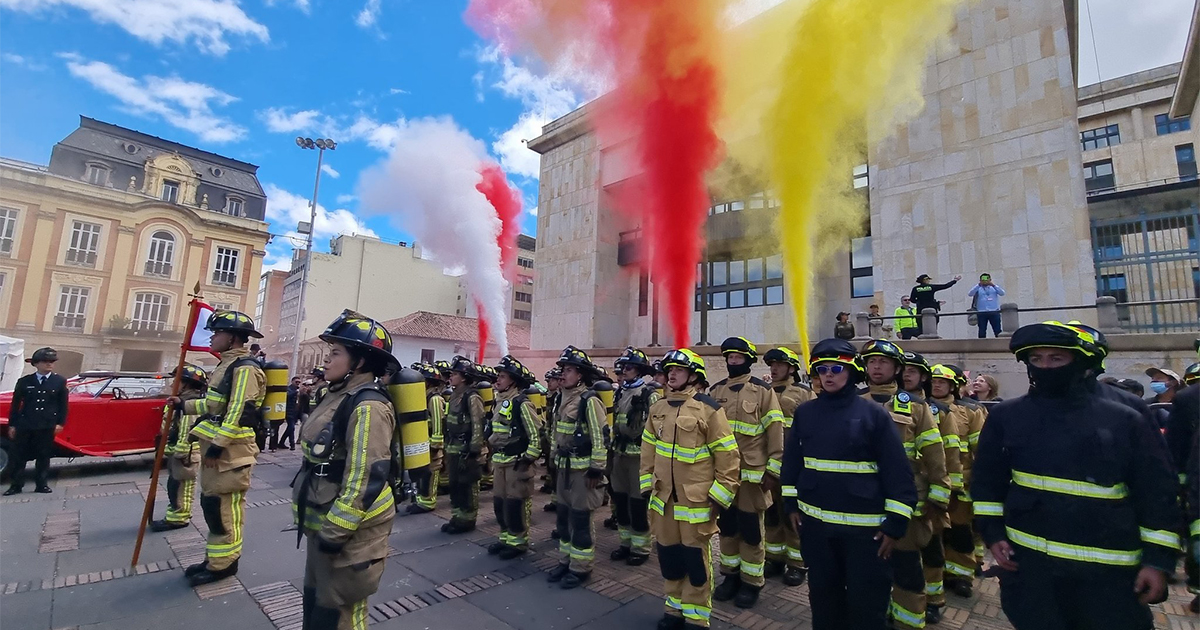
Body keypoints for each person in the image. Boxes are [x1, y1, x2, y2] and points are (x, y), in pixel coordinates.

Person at [972, 322, 1181, 629]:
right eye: (1037, 359)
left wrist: (1157, 561)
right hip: (1031, 570)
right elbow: (987, 483)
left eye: (1056, 359)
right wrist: (993, 534)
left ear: (1082, 362)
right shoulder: (1008, 416)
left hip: (1109, 576)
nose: (1045, 366)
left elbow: (1157, 493)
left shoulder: (1125, 417)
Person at [781, 339, 917, 630]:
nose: (828, 375)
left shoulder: (874, 414)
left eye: (836, 369)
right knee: (824, 598)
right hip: (817, 530)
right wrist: (790, 503)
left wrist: (895, 523)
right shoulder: (805, 413)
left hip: (865, 534)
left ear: (851, 372)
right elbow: (792, 463)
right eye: (822, 370)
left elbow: (897, 472)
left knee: (866, 604)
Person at [292, 311, 397, 630]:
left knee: (338, 613)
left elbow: (364, 479)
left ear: (360, 362)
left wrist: (334, 534)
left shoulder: (368, 407)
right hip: (324, 524)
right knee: (316, 603)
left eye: (335, 353)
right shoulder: (337, 395)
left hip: (348, 532)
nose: (326, 360)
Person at [642, 349, 739, 630]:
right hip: (664, 500)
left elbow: (728, 456)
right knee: (669, 556)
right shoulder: (657, 408)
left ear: (693, 376)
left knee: (695, 560)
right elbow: (647, 452)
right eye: (669, 370)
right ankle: (673, 609)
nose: (672, 374)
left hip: (696, 501)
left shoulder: (708, 409)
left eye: (679, 370)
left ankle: (697, 617)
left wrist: (720, 497)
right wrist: (647, 487)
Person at [860, 339, 949, 630]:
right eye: (871, 361)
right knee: (870, 566)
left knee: (907, 566)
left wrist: (940, 493)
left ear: (896, 368)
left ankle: (909, 622)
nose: (876, 367)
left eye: (883, 362)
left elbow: (935, 453)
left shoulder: (918, 407)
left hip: (908, 498)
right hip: (864, 499)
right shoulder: (853, 401)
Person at [171, 310, 265, 586]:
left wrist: (218, 446)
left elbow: (237, 410)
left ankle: (225, 564)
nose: (212, 337)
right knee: (212, 504)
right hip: (219, 447)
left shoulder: (245, 368)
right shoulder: (225, 365)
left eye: (217, 333)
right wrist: (183, 404)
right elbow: (213, 406)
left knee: (225, 507)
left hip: (231, 451)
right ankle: (215, 558)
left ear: (233, 338)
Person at [708, 337, 784, 609]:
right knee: (727, 528)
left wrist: (773, 471)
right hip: (723, 476)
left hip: (753, 475)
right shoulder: (715, 392)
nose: (732, 361)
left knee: (751, 530)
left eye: (738, 357)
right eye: (729, 357)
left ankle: (752, 582)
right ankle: (731, 576)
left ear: (749, 360)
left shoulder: (763, 391)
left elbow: (775, 432)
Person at [899, 352, 957, 624]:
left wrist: (944, 496)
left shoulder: (939, 411)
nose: (907, 374)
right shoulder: (891, 405)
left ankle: (934, 599)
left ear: (923, 377)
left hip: (930, 493)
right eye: (905, 370)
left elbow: (949, 455)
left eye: (914, 371)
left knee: (932, 549)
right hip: (900, 495)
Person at [546, 346, 607, 589]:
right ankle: (565, 560)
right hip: (563, 469)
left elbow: (601, 436)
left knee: (581, 520)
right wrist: (552, 457)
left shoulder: (589, 401)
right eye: (562, 370)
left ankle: (581, 568)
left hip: (583, 472)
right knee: (563, 518)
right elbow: (555, 432)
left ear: (580, 375)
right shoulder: (561, 398)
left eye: (568, 370)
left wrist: (597, 468)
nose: (563, 374)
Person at [762, 347, 814, 587]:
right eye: (771, 365)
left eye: (780, 365)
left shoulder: (804, 393)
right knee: (772, 514)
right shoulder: (763, 391)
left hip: (795, 466)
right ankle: (774, 557)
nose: (774, 369)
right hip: (769, 464)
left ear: (791, 368)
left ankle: (797, 563)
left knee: (794, 515)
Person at [608, 347, 661, 566]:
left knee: (638, 505)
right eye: (622, 367)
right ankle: (626, 543)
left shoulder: (650, 395)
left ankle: (641, 548)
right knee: (620, 501)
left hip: (640, 457)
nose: (624, 371)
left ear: (639, 370)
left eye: (628, 367)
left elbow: (659, 429)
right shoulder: (619, 392)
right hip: (620, 454)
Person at [486, 355, 542, 559]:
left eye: (502, 377)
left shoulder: (522, 404)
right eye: (497, 376)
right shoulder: (499, 402)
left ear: (513, 381)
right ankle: (505, 538)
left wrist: (528, 459)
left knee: (515, 504)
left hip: (516, 463)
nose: (497, 380)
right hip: (499, 462)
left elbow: (536, 434)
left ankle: (518, 542)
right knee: (500, 504)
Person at [150, 364, 208, 531]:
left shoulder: (191, 403)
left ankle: (179, 518)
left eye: (177, 380)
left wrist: (182, 451)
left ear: (187, 384)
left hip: (186, 453)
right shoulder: (179, 401)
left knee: (182, 487)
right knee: (174, 486)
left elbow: (188, 429)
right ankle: (174, 515)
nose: (172, 384)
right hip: (177, 451)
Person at [5, 348, 70, 495]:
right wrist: (13, 424)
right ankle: (16, 485)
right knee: (19, 457)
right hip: (26, 424)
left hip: (46, 425)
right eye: (46, 361)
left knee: (43, 456)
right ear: (36, 364)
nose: (49, 364)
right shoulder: (24, 381)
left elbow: (63, 404)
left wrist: (60, 423)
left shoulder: (59, 381)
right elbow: (15, 405)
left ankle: (41, 484)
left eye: (52, 361)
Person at [442, 356, 486, 534]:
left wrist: (474, 449)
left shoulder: (472, 397)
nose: (450, 376)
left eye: (454, 374)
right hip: (453, 447)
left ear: (465, 377)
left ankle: (467, 520)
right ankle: (457, 517)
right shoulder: (454, 395)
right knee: (455, 485)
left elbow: (478, 423)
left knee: (467, 485)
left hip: (466, 450)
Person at [406, 363, 447, 515]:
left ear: (428, 382)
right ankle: (421, 500)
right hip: (424, 441)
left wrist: (435, 444)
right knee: (423, 472)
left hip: (432, 444)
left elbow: (438, 422)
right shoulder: (423, 396)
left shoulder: (435, 399)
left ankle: (428, 501)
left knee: (431, 472)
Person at [541, 368, 563, 508]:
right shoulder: (552, 397)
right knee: (552, 469)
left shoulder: (560, 397)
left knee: (558, 474)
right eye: (548, 381)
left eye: (552, 380)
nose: (549, 383)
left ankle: (558, 500)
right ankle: (555, 499)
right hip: (551, 437)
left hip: (560, 442)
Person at [966, 273, 1006, 338]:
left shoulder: (993, 288)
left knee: (997, 330)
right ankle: (981, 345)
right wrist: (978, 285)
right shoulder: (978, 288)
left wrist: (993, 285)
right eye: (983, 279)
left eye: (987, 279)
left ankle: (1000, 343)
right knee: (982, 330)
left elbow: (1002, 293)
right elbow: (970, 294)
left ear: (990, 279)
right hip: (982, 312)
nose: (985, 281)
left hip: (994, 311)